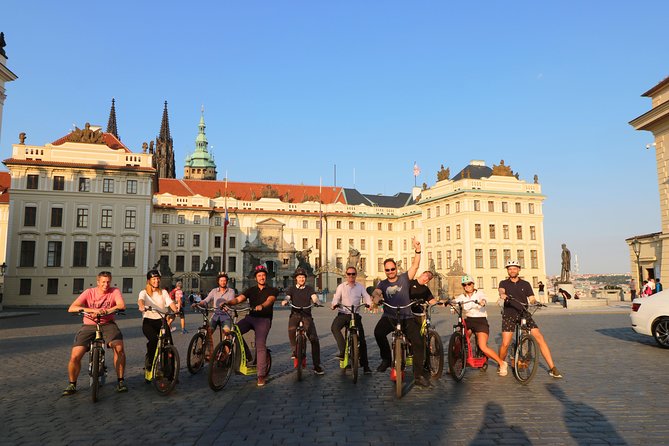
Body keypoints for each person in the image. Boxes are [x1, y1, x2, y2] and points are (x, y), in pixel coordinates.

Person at [372, 237, 431, 388]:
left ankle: (418, 376)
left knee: (418, 343)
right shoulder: (383, 283)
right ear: (384, 271)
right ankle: (386, 359)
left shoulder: (405, 278)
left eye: (392, 269)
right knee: (378, 333)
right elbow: (377, 292)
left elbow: (415, 265)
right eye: (387, 270)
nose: (390, 271)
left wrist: (417, 250)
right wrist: (375, 300)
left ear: (396, 269)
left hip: (406, 317)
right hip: (390, 317)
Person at [62, 271, 127, 395]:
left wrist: (106, 311)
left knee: (119, 348)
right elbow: (72, 308)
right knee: (75, 355)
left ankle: (120, 381)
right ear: (98, 282)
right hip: (89, 325)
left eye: (108, 281)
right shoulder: (89, 292)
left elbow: (121, 305)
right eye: (103, 282)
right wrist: (92, 310)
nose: (106, 284)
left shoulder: (114, 291)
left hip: (108, 324)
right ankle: (72, 384)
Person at [498, 260, 562, 379]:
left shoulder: (526, 284)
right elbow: (501, 291)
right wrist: (503, 295)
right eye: (510, 269)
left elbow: (531, 298)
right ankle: (501, 363)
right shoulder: (504, 283)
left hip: (523, 313)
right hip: (509, 314)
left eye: (514, 268)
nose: (512, 270)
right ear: (507, 270)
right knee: (505, 343)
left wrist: (535, 302)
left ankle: (552, 367)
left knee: (539, 337)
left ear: (519, 270)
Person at [225, 265, 278, 387]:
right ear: (256, 278)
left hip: (264, 319)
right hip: (251, 318)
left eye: (263, 275)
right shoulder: (251, 290)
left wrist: (262, 306)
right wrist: (228, 302)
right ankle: (248, 354)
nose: (261, 277)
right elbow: (239, 299)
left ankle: (260, 375)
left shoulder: (272, 290)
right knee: (234, 331)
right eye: (259, 276)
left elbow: (270, 300)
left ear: (266, 277)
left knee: (260, 345)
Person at [453, 275, 508, 376]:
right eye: (464, 285)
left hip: (480, 321)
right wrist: (450, 304)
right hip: (468, 321)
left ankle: (502, 363)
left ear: (473, 284)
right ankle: (455, 366)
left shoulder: (479, 293)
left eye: (469, 284)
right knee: (459, 341)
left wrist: (482, 302)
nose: (467, 286)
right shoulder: (462, 297)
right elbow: (455, 302)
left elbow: (484, 299)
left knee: (483, 346)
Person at [282, 267, 325, 375]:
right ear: (296, 278)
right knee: (291, 330)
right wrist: (285, 301)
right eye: (299, 277)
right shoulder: (291, 289)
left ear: (305, 278)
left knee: (314, 339)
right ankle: (294, 350)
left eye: (303, 277)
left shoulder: (309, 289)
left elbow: (314, 297)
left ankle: (317, 365)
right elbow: (288, 297)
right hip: (295, 314)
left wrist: (317, 301)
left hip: (306, 315)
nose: (301, 279)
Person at [331, 266, 373, 375]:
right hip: (343, 313)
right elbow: (336, 297)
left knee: (362, 341)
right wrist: (334, 304)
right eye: (349, 274)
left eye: (353, 274)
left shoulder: (360, 286)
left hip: (355, 314)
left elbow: (366, 296)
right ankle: (343, 351)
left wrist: (369, 304)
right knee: (334, 328)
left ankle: (365, 366)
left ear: (356, 275)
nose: (351, 276)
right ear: (346, 275)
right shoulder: (341, 286)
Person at [138, 269, 178, 382]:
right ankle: (150, 365)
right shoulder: (144, 292)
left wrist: (175, 310)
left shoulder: (163, 292)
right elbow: (141, 300)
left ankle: (170, 374)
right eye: (154, 279)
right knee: (153, 341)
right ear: (149, 280)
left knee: (169, 345)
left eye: (157, 279)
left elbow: (170, 302)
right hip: (148, 322)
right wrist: (142, 306)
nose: (156, 281)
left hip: (162, 321)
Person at [194, 272, 236, 354]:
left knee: (227, 333)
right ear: (218, 282)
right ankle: (202, 350)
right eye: (221, 281)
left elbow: (231, 301)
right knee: (207, 332)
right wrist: (198, 303)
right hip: (216, 315)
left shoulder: (231, 291)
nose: (223, 282)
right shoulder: (214, 291)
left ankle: (227, 354)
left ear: (226, 281)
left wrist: (225, 303)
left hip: (226, 316)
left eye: (224, 281)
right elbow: (206, 300)